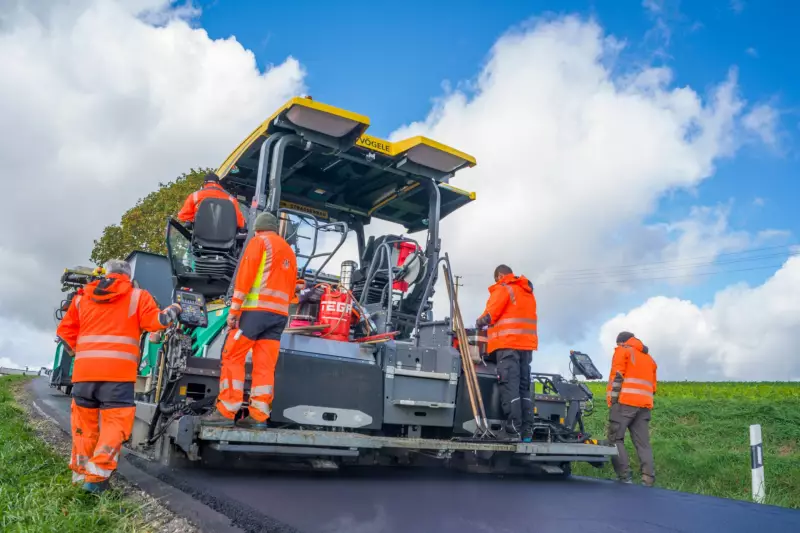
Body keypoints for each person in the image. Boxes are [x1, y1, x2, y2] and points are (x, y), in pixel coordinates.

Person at [55, 260, 181, 493]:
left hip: (84, 376)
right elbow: (158, 322)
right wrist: (175, 309)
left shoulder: (82, 297)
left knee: (84, 427)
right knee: (115, 426)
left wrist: (80, 355)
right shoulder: (138, 296)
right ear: (128, 276)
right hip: (118, 377)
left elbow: (64, 333)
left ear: (106, 274)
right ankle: (97, 480)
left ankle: (80, 477)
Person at [201, 212, 298, 429]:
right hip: (279, 317)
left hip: (254, 313)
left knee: (232, 354)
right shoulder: (289, 252)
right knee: (264, 365)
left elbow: (245, 278)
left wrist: (234, 311)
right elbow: (292, 288)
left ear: (257, 228)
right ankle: (258, 416)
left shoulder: (259, 242)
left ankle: (226, 411)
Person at [475, 264, 538, 442]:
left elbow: (489, 315)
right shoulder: (526, 291)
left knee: (510, 387)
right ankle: (526, 432)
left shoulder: (504, 288)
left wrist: (478, 322)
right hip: (526, 347)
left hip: (508, 345)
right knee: (523, 389)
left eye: (496, 278)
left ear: (500, 275)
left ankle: (513, 431)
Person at [606, 331, 657, 486]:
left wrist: (613, 401)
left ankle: (624, 476)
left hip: (625, 402)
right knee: (643, 443)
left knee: (615, 439)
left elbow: (617, 377)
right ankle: (648, 479)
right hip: (644, 406)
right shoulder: (649, 359)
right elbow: (653, 387)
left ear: (621, 342)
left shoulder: (623, 351)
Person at [177, 171, 246, 229]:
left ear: (205, 183)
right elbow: (240, 222)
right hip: (225, 240)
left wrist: (197, 220)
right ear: (218, 183)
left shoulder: (195, 196)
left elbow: (182, 216)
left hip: (200, 237)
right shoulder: (231, 199)